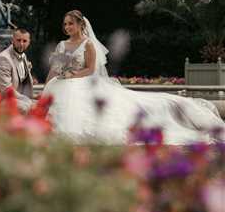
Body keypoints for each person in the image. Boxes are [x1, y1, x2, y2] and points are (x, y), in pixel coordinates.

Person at [42, 10, 225, 145]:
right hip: (62, 83)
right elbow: (55, 67)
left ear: (81, 24)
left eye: (70, 23)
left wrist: (72, 74)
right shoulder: (62, 45)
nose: (67, 27)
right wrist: (48, 85)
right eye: (65, 24)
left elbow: (90, 69)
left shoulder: (87, 44)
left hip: (81, 81)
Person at [0, 28, 35, 113]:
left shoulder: (23, 56)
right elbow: (7, 90)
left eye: (24, 41)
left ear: (29, 42)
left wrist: (34, 96)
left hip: (16, 98)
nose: (21, 44)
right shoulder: (4, 58)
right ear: (12, 40)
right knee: (27, 107)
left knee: (44, 106)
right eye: (18, 40)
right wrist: (28, 101)